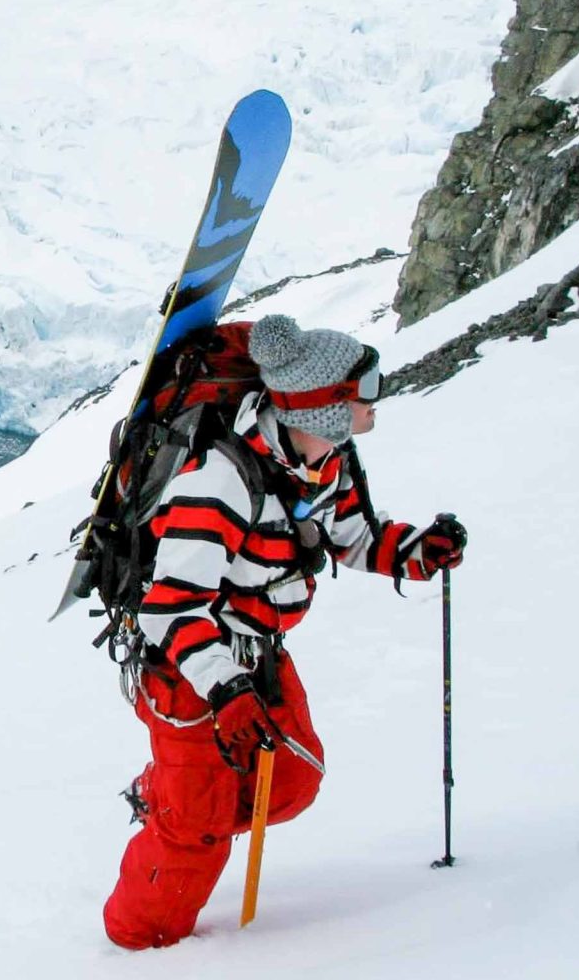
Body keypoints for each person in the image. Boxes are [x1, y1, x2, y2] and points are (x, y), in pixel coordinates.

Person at [102, 313, 467, 951]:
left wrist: (416, 551)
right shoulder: (220, 480)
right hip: (193, 673)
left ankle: (168, 795)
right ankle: (135, 948)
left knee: (294, 779)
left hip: (259, 655)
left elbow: (355, 539)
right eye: (363, 391)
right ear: (323, 406)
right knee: (197, 834)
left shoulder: (326, 463)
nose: (374, 402)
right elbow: (170, 607)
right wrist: (226, 689)